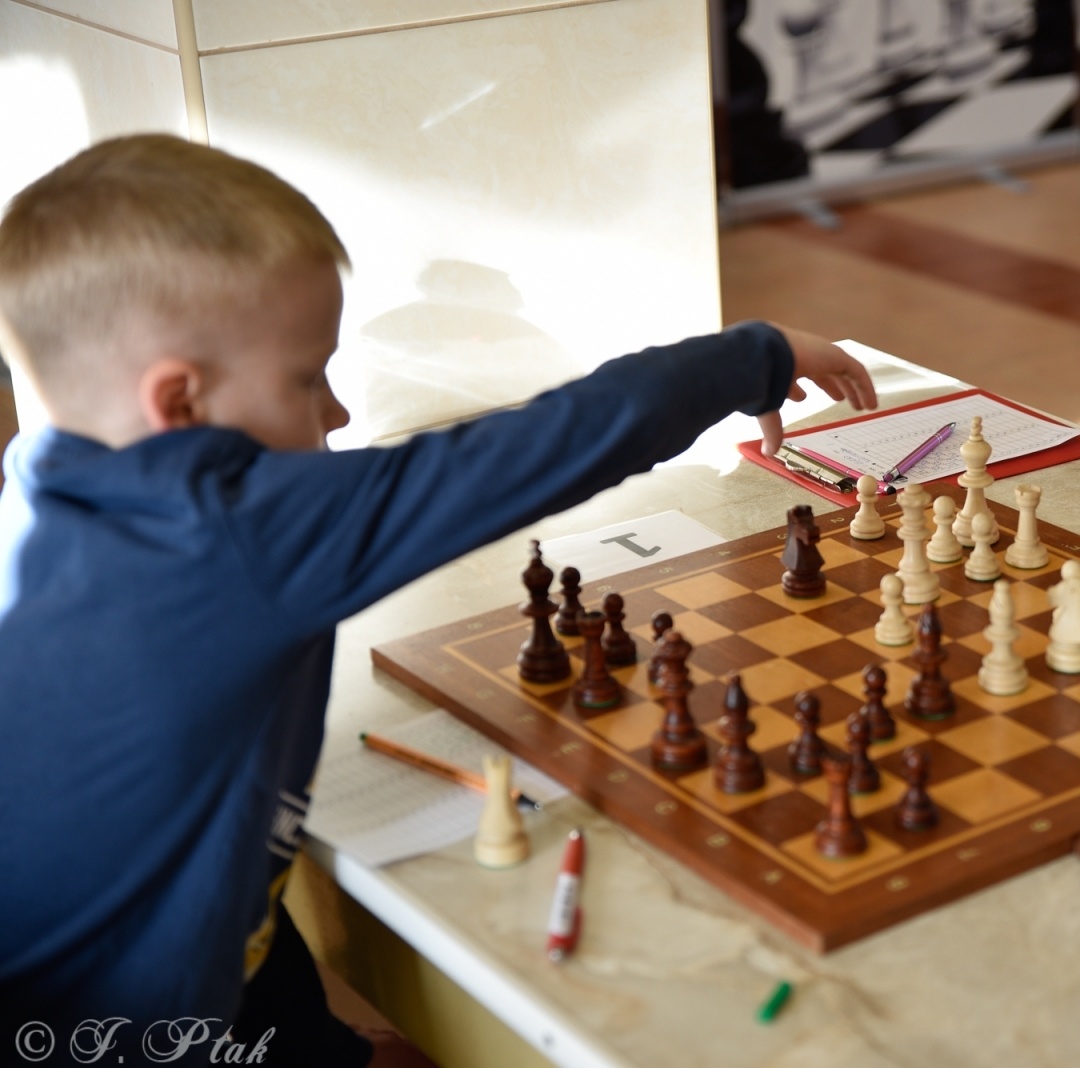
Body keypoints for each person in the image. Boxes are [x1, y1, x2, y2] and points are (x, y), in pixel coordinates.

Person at [0, 134, 875, 1063]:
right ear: (177, 405)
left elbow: (192, 868)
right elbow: (543, 448)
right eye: (307, 378)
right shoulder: (224, 536)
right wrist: (757, 356)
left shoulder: (53, 498)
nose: (338, 414)